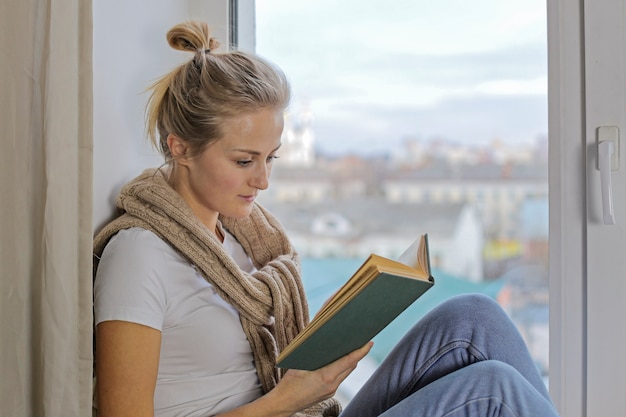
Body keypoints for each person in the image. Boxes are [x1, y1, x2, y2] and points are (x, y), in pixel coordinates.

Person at [92, 20, 561, 417]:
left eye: (270, 158)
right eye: (243, 161)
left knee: (475, 316)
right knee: (491, 389)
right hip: (282, 409)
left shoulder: (240, 239)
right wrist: (285, 400)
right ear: (180, 148)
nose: (263, 181)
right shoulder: (140, 256)